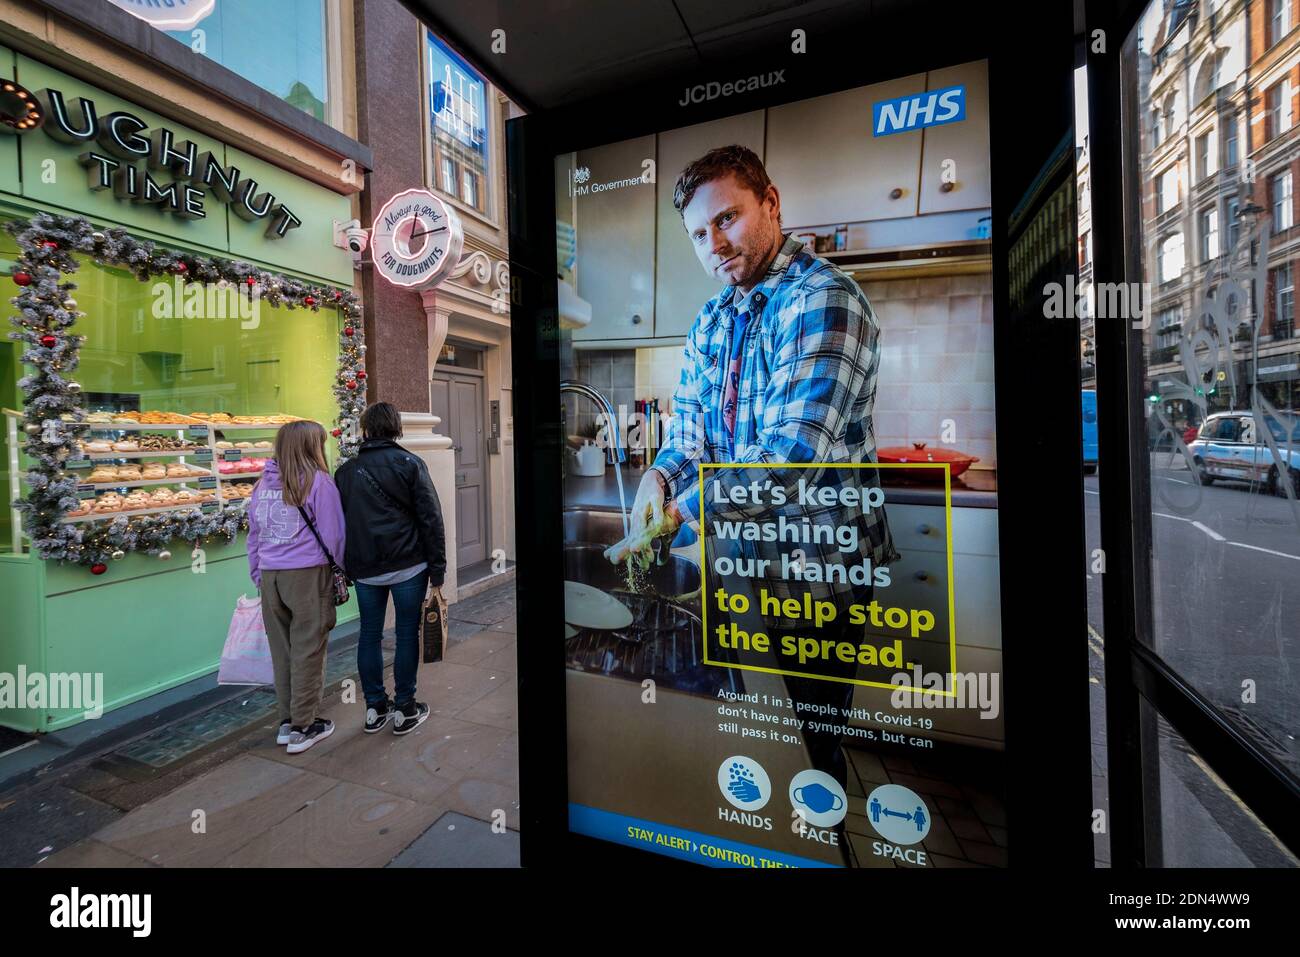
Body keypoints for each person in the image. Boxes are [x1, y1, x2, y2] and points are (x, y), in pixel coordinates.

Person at [605, 144, 898, 790]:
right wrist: (658, 477)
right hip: (745, 564)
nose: (715, 243)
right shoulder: (712, 319)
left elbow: (790, 457)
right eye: (699, 233)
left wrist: (682, 510)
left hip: (818, 574)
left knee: (809, 747)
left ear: (770, 204)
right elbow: (692, 435)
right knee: (759, 740)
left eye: (727, 218)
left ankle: (826, 833)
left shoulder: (824, 299)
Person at [335, 401, 446, 736]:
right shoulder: (410, 463)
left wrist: (345, 565)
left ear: (366, 429)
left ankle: (374, 708)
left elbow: (339, 524)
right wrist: (438, 571)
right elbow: (431, 519)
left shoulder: (345, 472)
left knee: (369, 634)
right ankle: (405, 709)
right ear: (397, 427)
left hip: (366, 568)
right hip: (408, 565)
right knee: (405, 635)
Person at [246, 419, 346, 754]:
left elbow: (254, 535)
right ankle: (304, 727)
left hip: (271, 577)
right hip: (307, 575)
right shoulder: (319, 483)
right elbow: (334, 535)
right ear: (310, 447)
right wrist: (338, 572)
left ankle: (287, 721)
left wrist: (258, 573)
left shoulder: (263, 485)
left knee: (283, 651)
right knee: (309, 648)